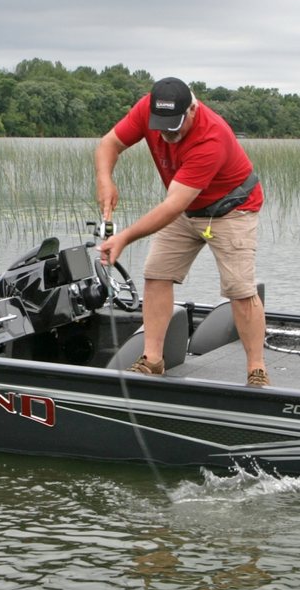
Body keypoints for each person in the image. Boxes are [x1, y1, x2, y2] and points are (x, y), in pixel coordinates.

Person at [94, 76, 268, 385]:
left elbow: (173, 205)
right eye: (161, 126)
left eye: (174, 127)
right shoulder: (146, 109)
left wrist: (124, 237)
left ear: (192, 110)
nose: (167, 134)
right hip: (186, 206)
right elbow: (110, 143)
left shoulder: (211, 137)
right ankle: (152, 361)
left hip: (231, 209)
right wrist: (105, 179)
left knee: (239, 290)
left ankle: (257, 371)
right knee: (157, 273)